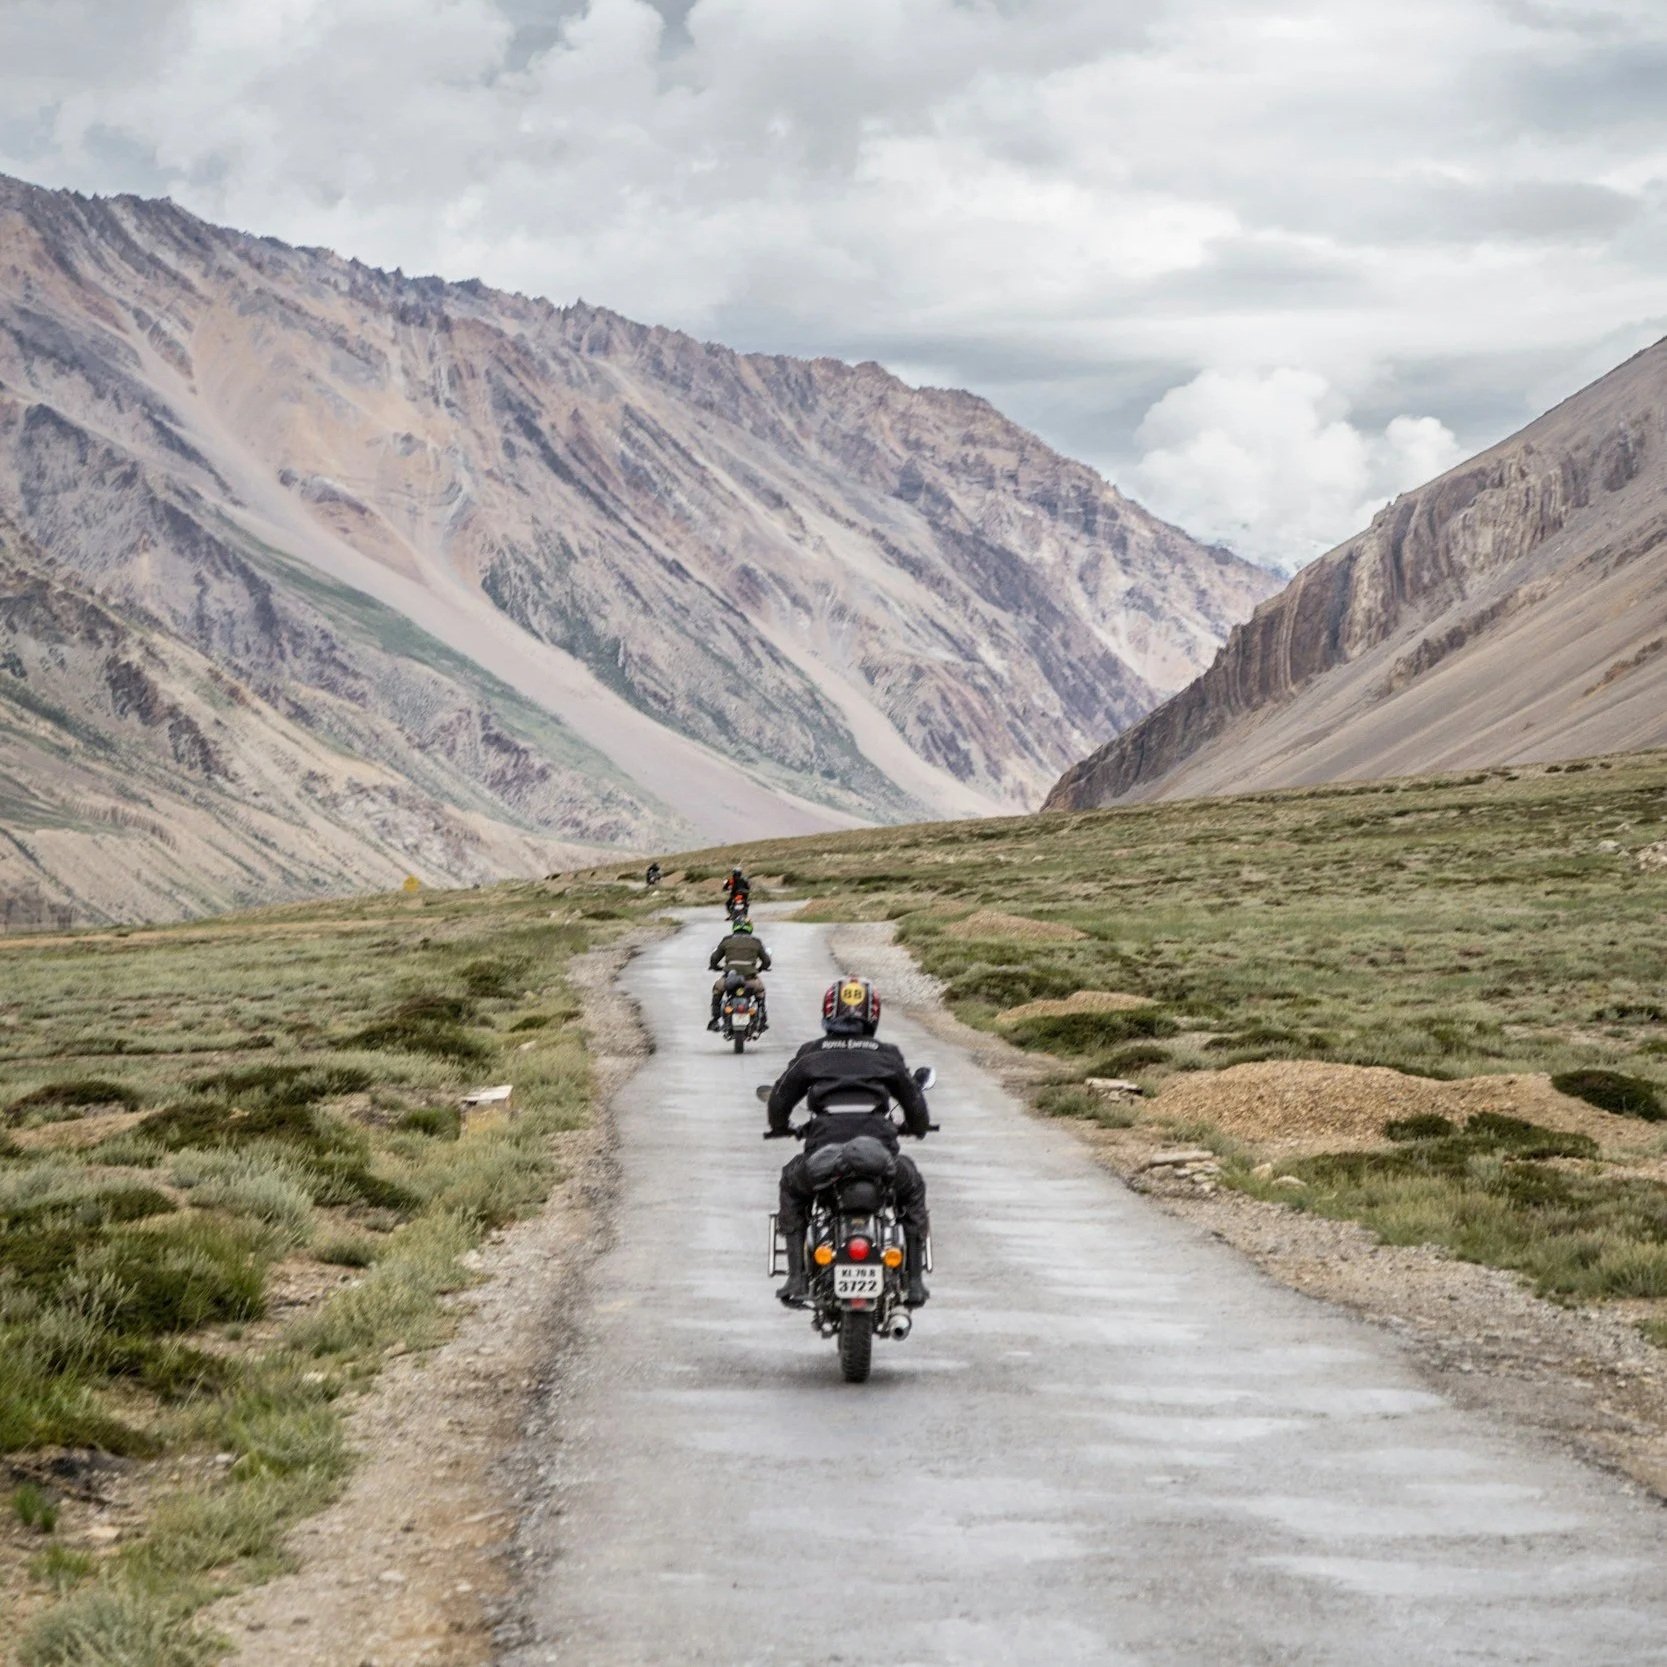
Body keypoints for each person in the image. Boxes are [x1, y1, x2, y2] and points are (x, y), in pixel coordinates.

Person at [767, 976, 931, 1309]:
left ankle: (797, 1277)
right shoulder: (887, 1055)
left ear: (828, 1010)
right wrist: (915, 1126)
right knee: (911, 1186)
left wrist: (782, 1125)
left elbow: (779, 1101)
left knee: (792, 1184)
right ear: (873, 1014)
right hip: (879, 1157)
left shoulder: (811, 1053)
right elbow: (916, 1107)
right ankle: (914, 1281)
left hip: (823, 1158)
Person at [708, 918, 771, 1032]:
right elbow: (766, 960)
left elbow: (714, 958)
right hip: (750, 980)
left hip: (729, 979)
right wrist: (762, 968)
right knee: (760, 993)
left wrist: (714, 966)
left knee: (717, 990)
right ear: (750, 928)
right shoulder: (756, 942)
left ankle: (715, 1020)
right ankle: (762, 1020)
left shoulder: (727, 941)